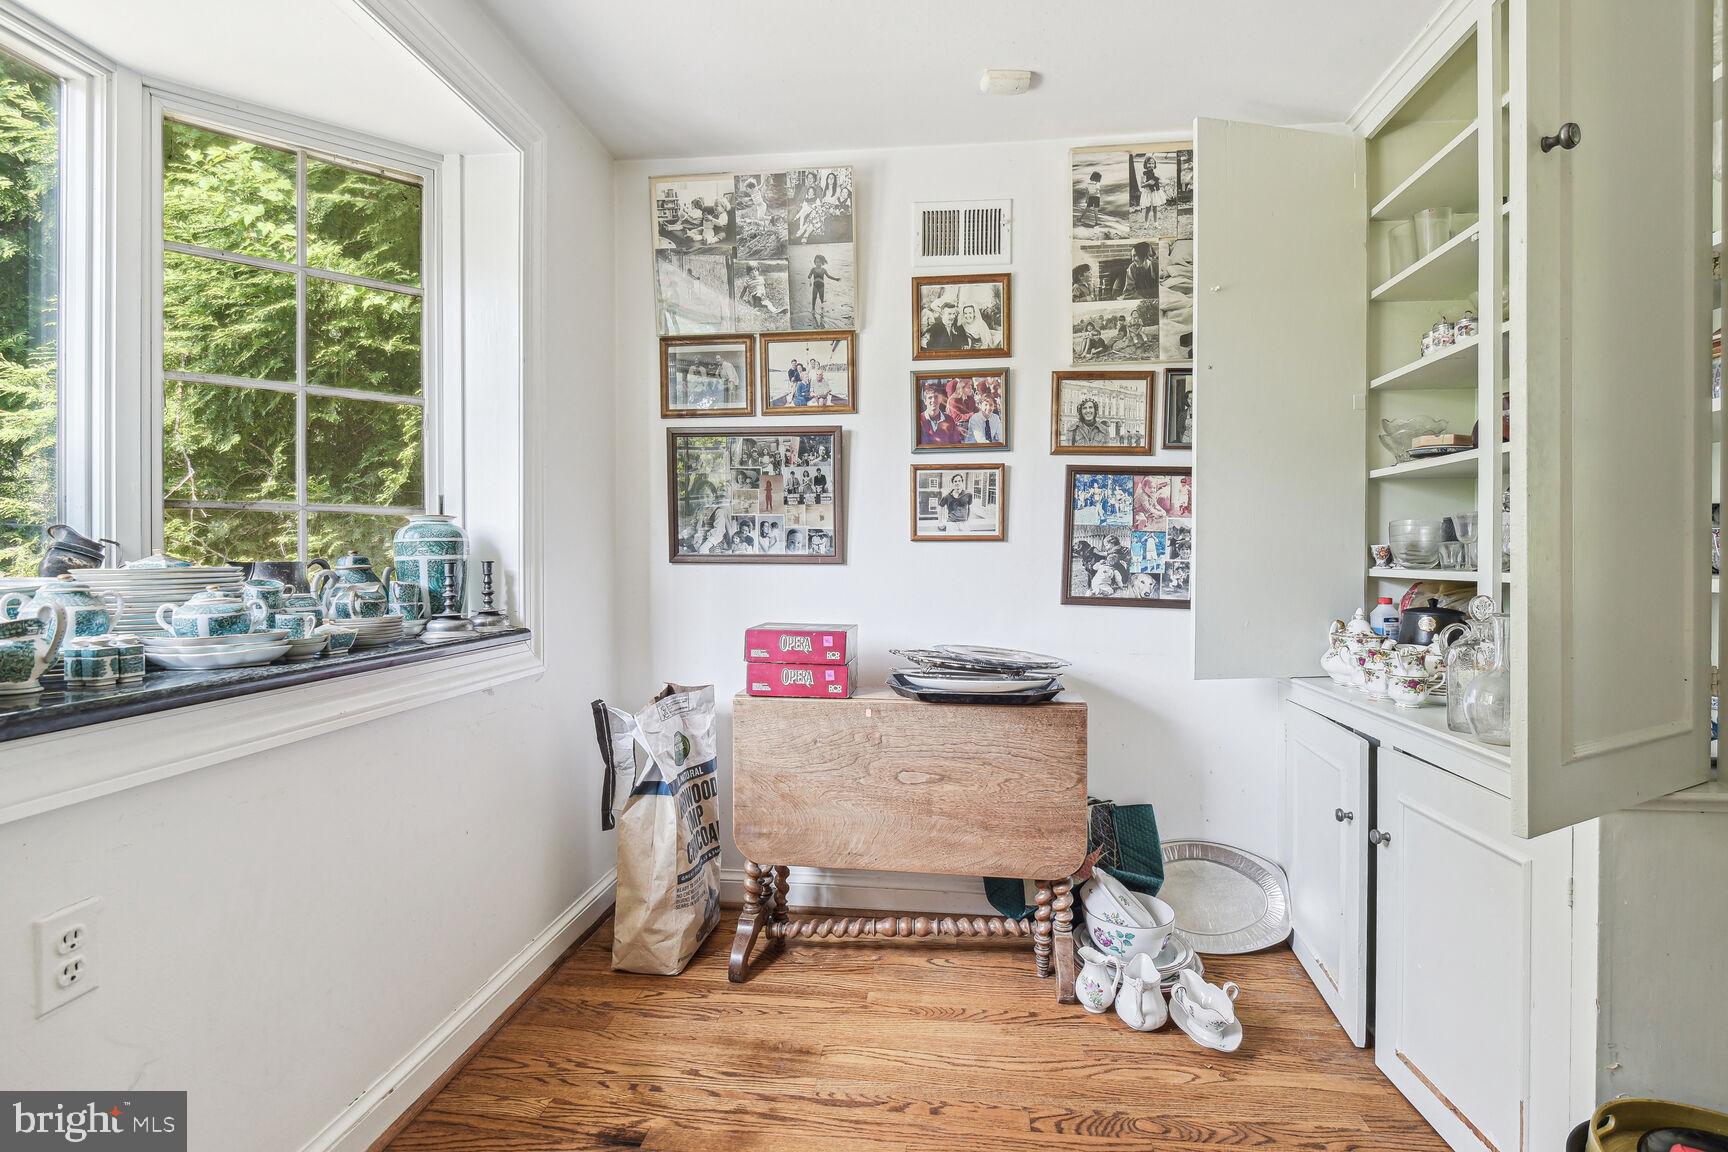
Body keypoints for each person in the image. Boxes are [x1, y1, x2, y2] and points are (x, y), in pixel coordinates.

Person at [807, 254, 841, 324]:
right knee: (814, 297)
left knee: (821, 298)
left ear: (822, 262)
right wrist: (809, 276)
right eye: (816, 262)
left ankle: (822, 308)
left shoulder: (823, 270)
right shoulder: (813, 269)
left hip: (822, 286)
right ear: (814, 262)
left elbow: (828, 276)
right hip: (815, 286)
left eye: (819, 262)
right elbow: (809, 275)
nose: (818, 263)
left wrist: (836, 279)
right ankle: (813, 309)